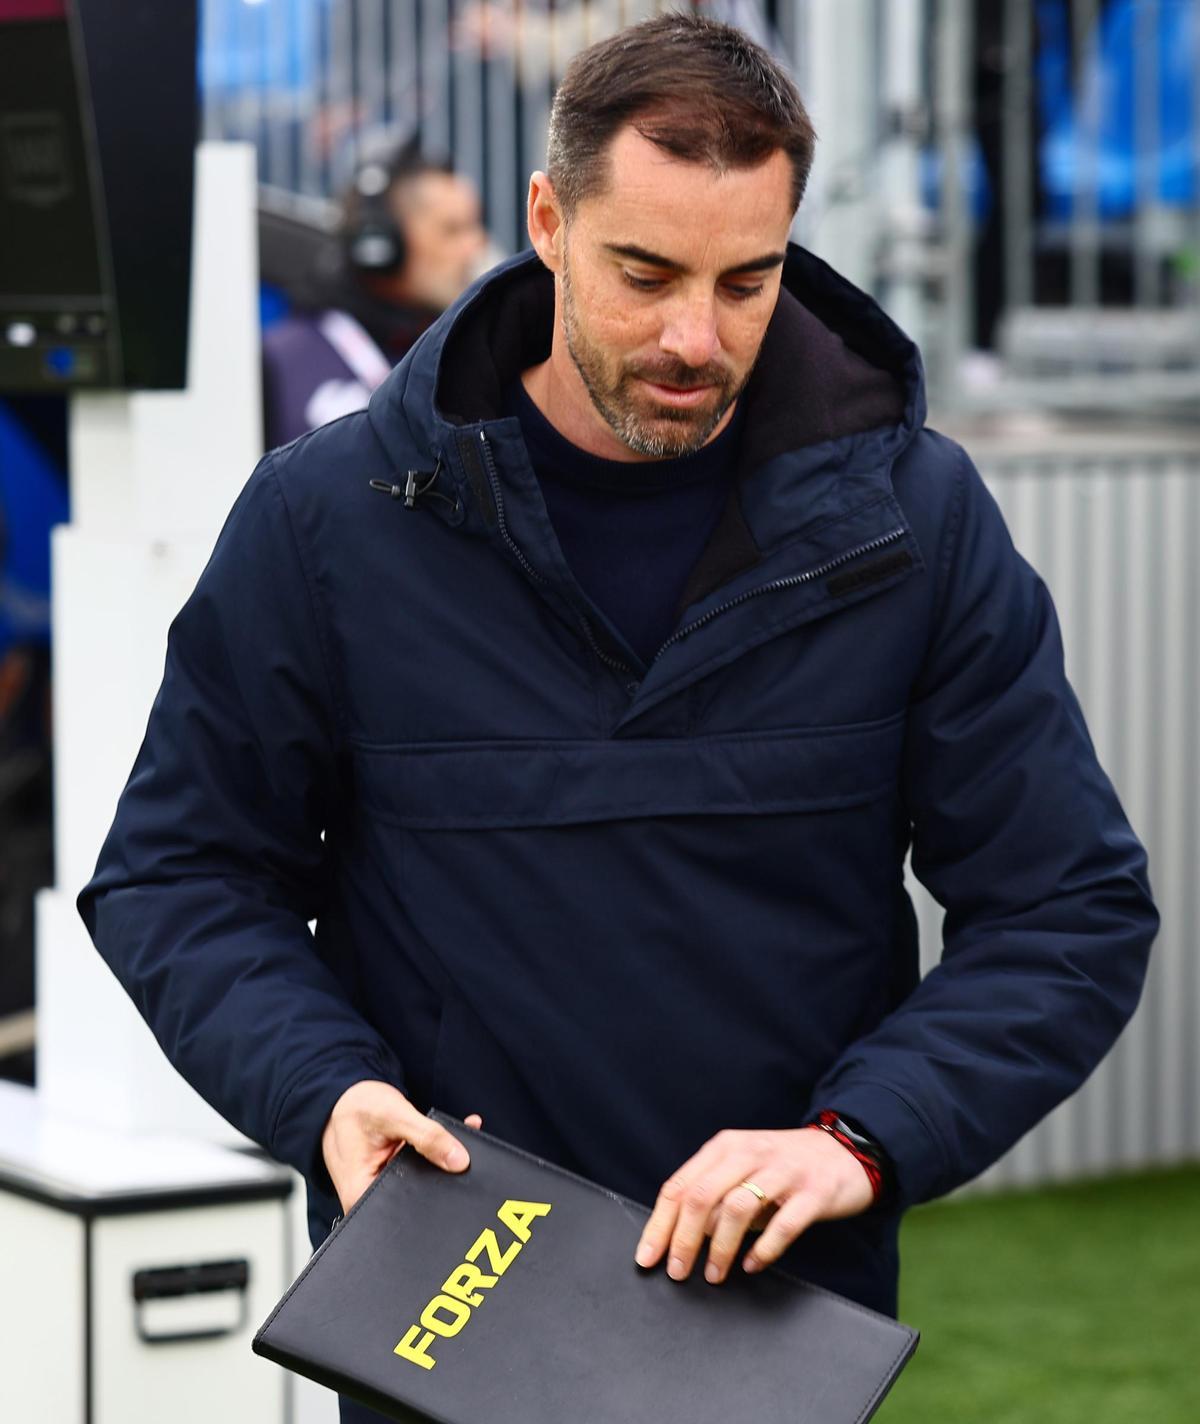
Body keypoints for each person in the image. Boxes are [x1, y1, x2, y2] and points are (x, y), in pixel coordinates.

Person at [80, 14, 1156, 1420]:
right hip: (446, 1302)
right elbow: (181, 871)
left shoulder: (915, 521)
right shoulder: (325, 521)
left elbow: (1069, 906)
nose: (694, 339)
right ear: (547, 219)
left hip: (776, 1321)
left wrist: (857, 1138)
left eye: (748, 281)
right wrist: (329, 1093)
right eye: (644, 274)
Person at [260, 138, 489, 448]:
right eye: (452, 230)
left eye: (475, 226)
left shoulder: (472, 354)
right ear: (381, 245)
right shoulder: (282, 361)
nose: (475, 246)